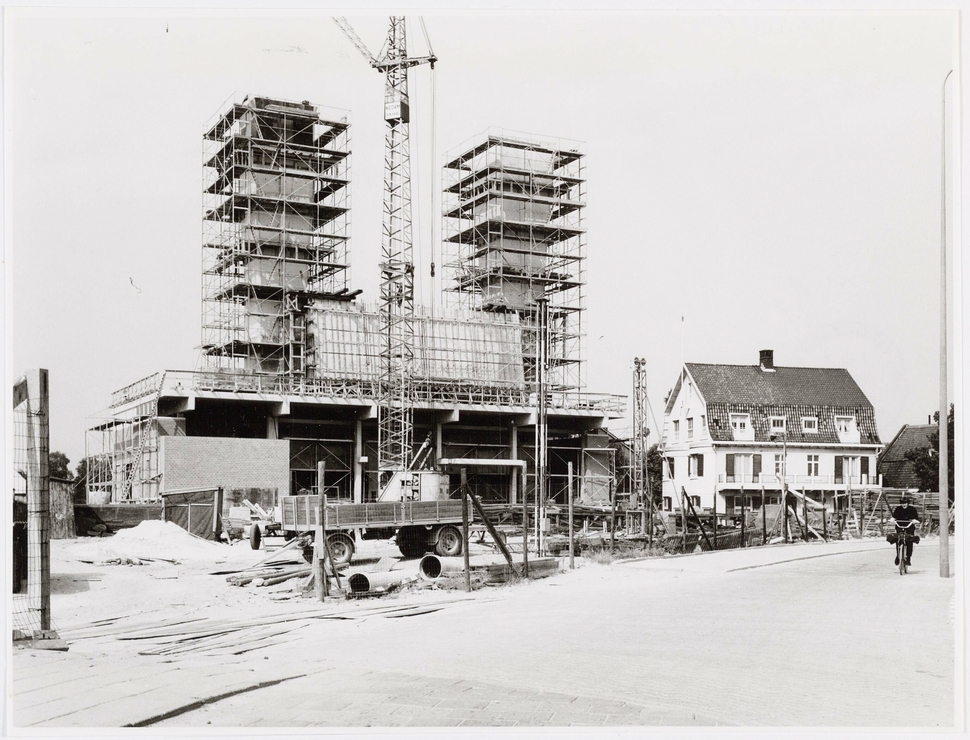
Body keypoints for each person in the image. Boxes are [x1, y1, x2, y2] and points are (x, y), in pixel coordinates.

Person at [891, 495, 920, 566]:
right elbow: (894, 516)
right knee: (898, 540)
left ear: (908, 503)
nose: (904, 504)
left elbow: (916, 518)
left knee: (909, 541)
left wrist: (915, 520)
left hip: (909, 526)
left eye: (905, 503)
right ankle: (898, 556)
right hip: (900, 526)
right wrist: (892, 519)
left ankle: (908, 558)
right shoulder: (898, 509)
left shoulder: (912, 509)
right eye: (903, 503)